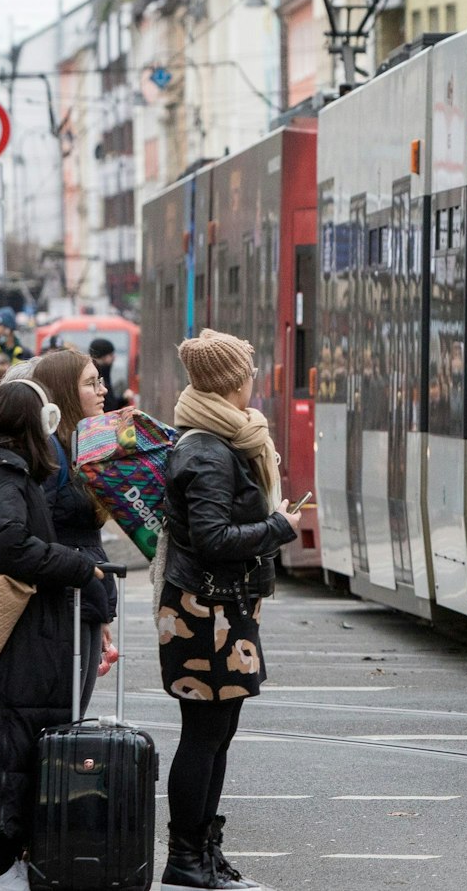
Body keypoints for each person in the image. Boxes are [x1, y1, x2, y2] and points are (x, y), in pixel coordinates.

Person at [0, 379, 103, 891]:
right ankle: (2, 867)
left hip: (5, 634)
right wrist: (74, 564)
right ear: (33, 424)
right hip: (14, 637)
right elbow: (3, 545)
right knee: (10, 747)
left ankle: (6, 862)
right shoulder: (8, 474)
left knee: (0, 743)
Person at [162, 329, 300, 890]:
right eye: (248, 373)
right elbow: (213, 538)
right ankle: (186, 857)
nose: (253, 382)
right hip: (204, 611)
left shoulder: (219, 442)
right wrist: (278, 527)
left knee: (215, 735)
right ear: (232, 382)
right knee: (204, 735)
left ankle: (201, 851)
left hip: (221, 606)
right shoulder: (207, 451)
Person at [32, 348, 120, 712]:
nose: (102, 391)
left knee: (73, 714)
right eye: (91, 383)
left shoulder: (77, 446)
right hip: (62, 602)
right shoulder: (51, 452)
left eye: (100, 381)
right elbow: (40, 532)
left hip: (82, 597)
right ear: (65, 392)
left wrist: (98, 612)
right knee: (63, 716)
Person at [89, 337, 130, 411]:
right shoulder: (97, 374)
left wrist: (124, 399)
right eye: (111, 355)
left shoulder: (105, 372)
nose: (114, 358)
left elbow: (111, 403)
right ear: (103, 356)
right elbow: (108, 406)